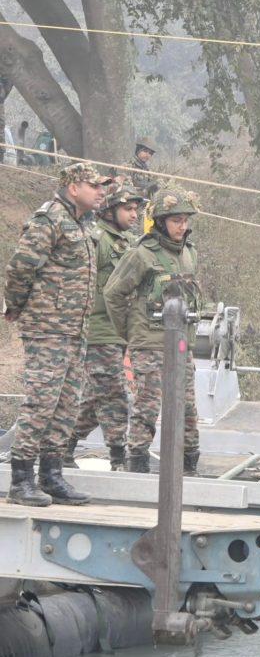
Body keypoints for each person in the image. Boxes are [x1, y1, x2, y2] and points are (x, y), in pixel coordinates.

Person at [3, 162, 112, 506]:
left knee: (66, 404)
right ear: (73, 187)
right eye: (94, 186)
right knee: (43, 402)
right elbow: (21, 267)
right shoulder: (48, 220)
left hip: (74, 328)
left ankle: (51, 476)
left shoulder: (85, 224)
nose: (100, 192)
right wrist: (17, 307)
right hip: (47, 327)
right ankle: (21, 479)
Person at [103, 185, 202, 476]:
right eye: (175, 220)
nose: (182, 226)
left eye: (185, 220)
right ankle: (138, 465)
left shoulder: (189, 253)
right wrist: (131, 333)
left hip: (181, 344)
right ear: (160, 221)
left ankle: (189, 467)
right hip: (150, 344)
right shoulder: (142, 254)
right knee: (148, 406)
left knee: (188, 407)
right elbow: (113, 293)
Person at [66, 178, 143, 471]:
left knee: (97, 398)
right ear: (110, 209)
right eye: (128, 208)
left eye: (136, 209)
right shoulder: (96, 239)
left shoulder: (126, 242)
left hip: (119, 331)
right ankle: (119, 459)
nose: (134, 215)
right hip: (98, 331)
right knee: (115, 395)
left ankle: (62, 445)